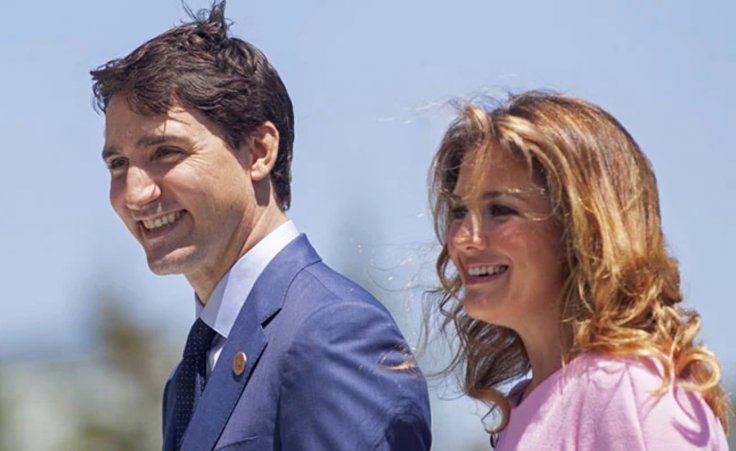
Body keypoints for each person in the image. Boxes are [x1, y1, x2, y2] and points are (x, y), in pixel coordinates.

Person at [91, 2, 431, 450]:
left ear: (258, 151)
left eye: (166, 153)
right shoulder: (189, 377)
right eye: (118, 163)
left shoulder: (332, 333)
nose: (134, 194)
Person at [429, 91, 729, 449]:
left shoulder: (626, 395)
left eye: (501, 210)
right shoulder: (539, 401)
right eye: (460, 212)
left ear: (583, 230)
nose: (464, 239)